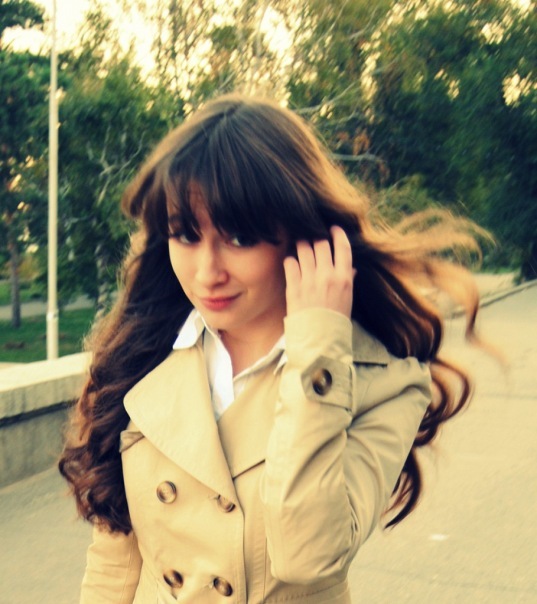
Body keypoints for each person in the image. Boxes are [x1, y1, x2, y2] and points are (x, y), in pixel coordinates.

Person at [59, 94, 479, 603]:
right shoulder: (141, 358)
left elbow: (307, 556)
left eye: (238, 238)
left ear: (305, 239)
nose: (207, 272)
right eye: (185, 235)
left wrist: (317, 349)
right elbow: (112, 568)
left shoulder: (383, 382)